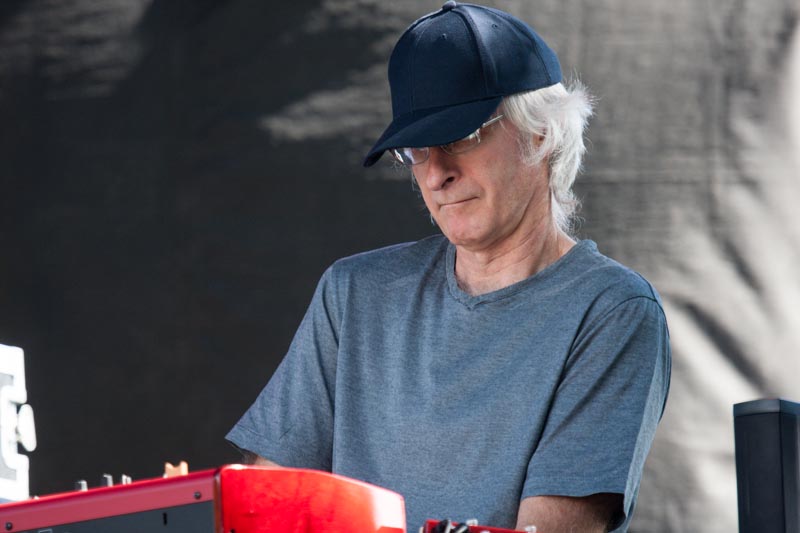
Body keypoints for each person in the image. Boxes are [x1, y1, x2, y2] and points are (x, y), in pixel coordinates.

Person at [226, 2, 671, 532]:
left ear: (541, 134)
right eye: (415, 150)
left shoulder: (611, 312)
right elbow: (265, 507)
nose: (436, 173)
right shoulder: (353, 294)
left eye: (461, 137)